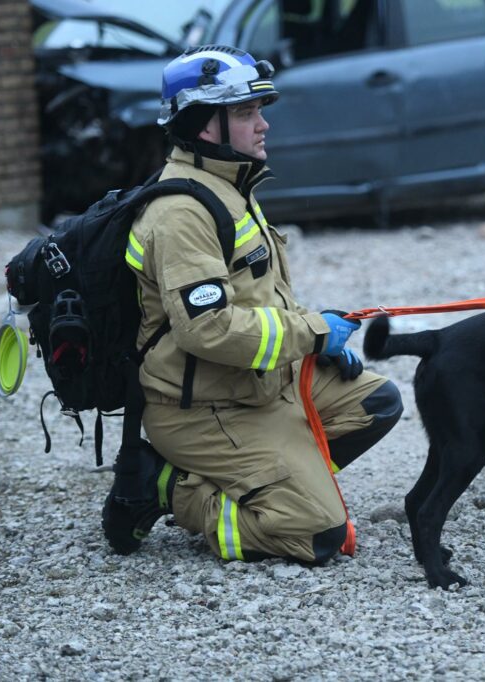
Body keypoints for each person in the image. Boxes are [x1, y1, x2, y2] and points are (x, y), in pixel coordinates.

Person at [101, 45, 402, 565]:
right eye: (245, 112)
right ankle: (170, 487)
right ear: (203, 125)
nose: (262, 125)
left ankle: (275, 475)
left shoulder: (228, 185)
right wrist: (310, 334)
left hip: (258, 382)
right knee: (316, 534)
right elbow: (209, 330)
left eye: (258, 110)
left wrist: (316, 337)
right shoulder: (181, 213)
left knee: (376, 403)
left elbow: (261, 295)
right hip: (206, 409)